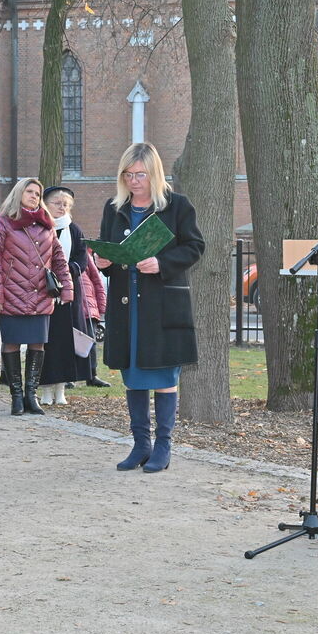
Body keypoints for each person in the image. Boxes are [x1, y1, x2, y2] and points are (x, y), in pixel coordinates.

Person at [95, 142, 205, 473]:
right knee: (134, 376)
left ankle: (163, 446)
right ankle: (140, 444)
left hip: (161, 306)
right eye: (127, 174)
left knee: (163, 375)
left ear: (154, 173)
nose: (133, 181)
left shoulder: (177, 206)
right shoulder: (113, 208)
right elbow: (109, 250)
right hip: (126, 306)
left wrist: (162, 262)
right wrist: (103, 261)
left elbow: (195, 246)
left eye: (139, 174)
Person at [0, 178, 73, 416]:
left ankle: (30, 395)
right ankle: (15, 396)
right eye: (30, 191)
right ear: (19, 194)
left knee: (38, 344)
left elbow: (58, 259)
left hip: (41, 294)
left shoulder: (47, 224)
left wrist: (67, 288)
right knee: (11, 342)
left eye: (37, 192)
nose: (34, 196)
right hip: (11, 293)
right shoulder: (2, 223)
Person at [39, 186, 91, 406]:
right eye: (57, 203)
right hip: (44, 290)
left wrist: (70, 269)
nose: (62, 208)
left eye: (66, 205)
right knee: (45, 341)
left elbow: (82, 257)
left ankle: (61, 388)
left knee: (65, 342)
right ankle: (44, 388)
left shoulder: (74, 230)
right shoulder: (39, 227)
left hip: (68, 293)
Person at [81, 249, 111, 388]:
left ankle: (92, 375)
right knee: (69, 342)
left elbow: (97, 281)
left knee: (90, 341)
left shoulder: (85, 255)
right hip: (68, 303)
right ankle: (69, 376)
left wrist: (101, 307)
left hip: (88, 305)